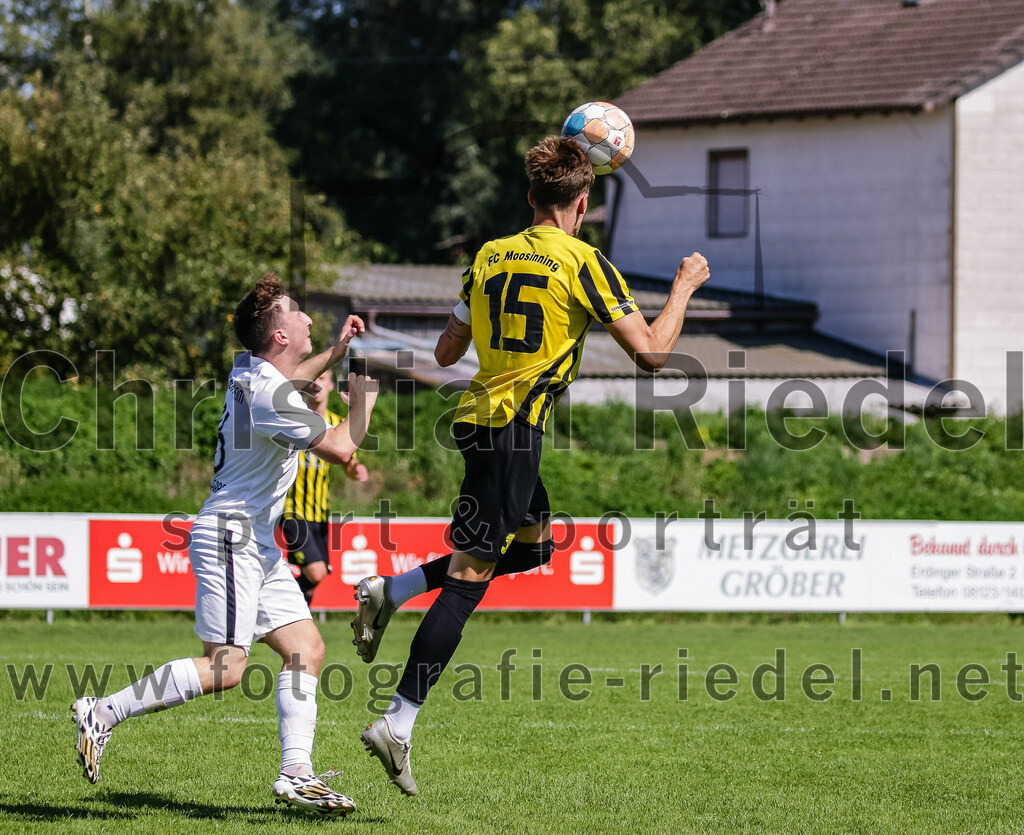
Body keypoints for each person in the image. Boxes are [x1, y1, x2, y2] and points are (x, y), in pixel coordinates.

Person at [354, 136, 710, 796]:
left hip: (479, 421)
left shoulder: (490, 254)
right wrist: (684, 286)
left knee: (535, 547)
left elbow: (442, 349)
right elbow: (655, 353)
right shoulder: (586, 262)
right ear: (583, 201)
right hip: (512, 432)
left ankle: (392, 590)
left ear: (529, 199)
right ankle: (398, 721)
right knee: (467, 581)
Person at [71, 273, 379, 818]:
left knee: (306, 649)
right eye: (299, 314)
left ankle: (297, 775)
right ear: (279, 335)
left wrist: (336, 351)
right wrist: (365, 401)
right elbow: (339, 445)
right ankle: (103, 711)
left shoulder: (250, 369)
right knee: (226, 667)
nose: (308, 318)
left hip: (253, 541)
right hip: (232, 537)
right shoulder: (267, 395)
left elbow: (295, 377)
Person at [282, 366, 369, 606]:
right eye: (312, 377)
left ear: (331, 385)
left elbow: (348, 463)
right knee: (316, 571)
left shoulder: (336, 424)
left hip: (319, 514)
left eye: (322, 378)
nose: (316, 384)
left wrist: (355, 469)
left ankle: (287, 632)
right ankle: (271, 609)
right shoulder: (293, 421)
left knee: (315, 581)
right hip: (293, 510)